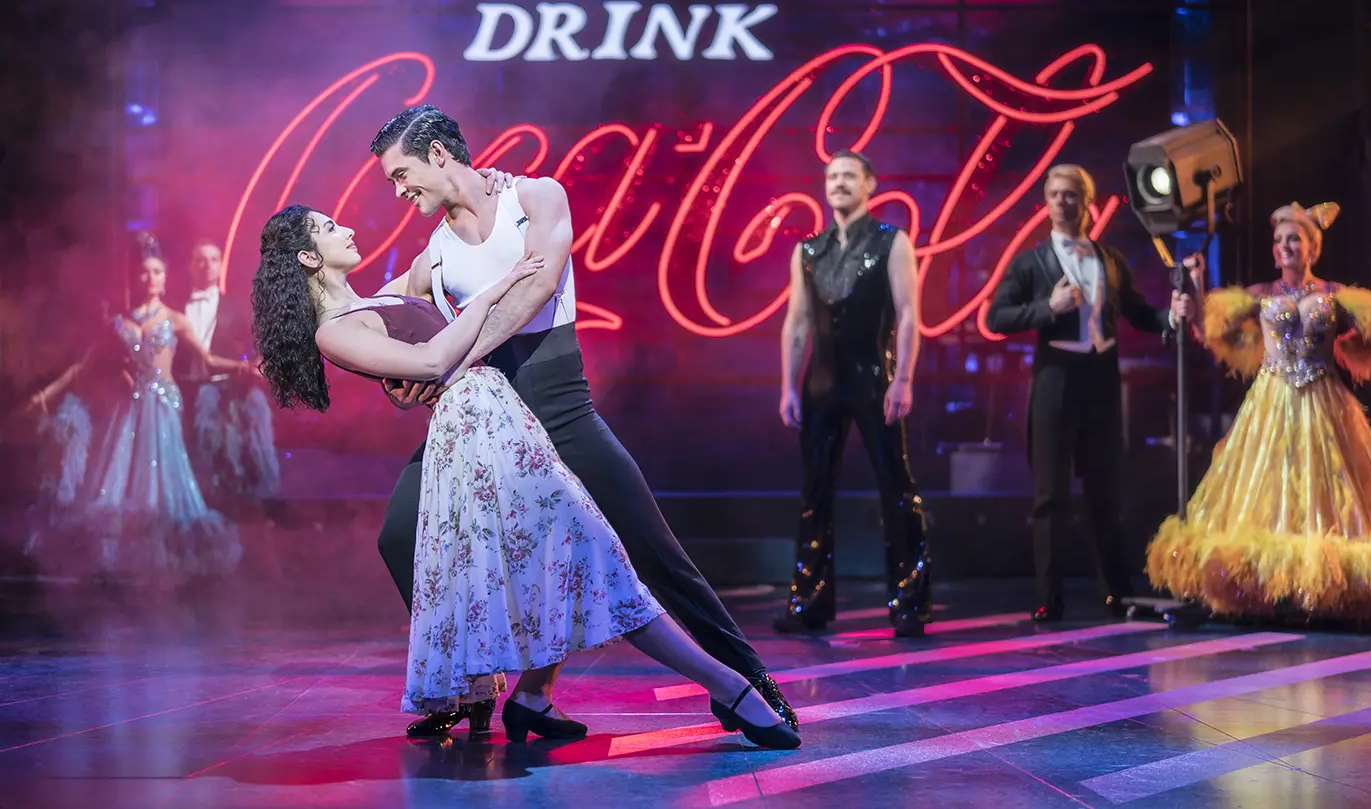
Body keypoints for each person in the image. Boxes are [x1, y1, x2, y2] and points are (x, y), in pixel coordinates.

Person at [250, 205, 800, 749]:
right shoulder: (333, 331)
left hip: (500, 418)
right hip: (474, 431)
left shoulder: (381, 295)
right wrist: (494, 292)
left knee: (567, 553)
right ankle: (727, 686)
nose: (346, 227)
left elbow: (424, 334)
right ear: (308, 257)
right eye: (328, 228)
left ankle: (534, 696)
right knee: (586, 552)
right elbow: (430, 363)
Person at [370, 105, 796, 738]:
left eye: (402, 174)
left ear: (437, 154)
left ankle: (748, 680)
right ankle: (476, 687)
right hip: (485, 411)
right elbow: (386, 317)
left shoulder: (537, 196)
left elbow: (535, 289)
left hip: (557, 401)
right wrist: (368, 355)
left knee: (652, 550)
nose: (400, 192)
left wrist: (450, 351)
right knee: (400, 531)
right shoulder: (433, 250)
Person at [1147, 201, 1371, 622]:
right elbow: (1211, 331)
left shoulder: (1334, 294)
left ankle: (1322, 588)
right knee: (1269, 489)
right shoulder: (1261, 294)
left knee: (1328, 492)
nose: (1286, 247)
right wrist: (1196, 286)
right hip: (1270, 403)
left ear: (1311, 248)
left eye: (1294, 239)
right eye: (1280, 240)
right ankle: (1271, 588)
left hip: (1324, 400)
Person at [986, 164, 1191, 621]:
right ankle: (1047, 596)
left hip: (1100, 376)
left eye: (1072, 194)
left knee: (1106, 490)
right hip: (1055, 376)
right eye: (1055, 194)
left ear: (1087, 202)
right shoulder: (1031, 261)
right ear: (1046, 201)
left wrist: (1172, 317)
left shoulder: (1109, 259)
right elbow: (996, 317)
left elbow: (1140, 314)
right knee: (1050, 494)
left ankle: (1117, 593)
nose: (1062, 201)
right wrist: (1047, 307)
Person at [774, 150, 933, 637]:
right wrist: (787, 385)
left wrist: (903, 377)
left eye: (848, 176)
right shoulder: (808, 249)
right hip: (821, 379)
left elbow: (909, 314)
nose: (838, 183)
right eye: (831, 176)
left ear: (870, 183)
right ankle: (809, 604)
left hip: (873, 377)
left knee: (896, 487)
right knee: (814, 491)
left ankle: (909, 603)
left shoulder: (892, 241)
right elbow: (796, 321)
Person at [29, 234, 245, 578]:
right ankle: (118, 560)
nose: (151, 278)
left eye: (158, 272)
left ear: (166, 277)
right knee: (119, 478)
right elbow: (83, 367)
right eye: (145, 272)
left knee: (164, 478)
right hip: (129, 408)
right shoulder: (120, 323)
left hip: (163, 406)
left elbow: (207, 359)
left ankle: (165, 558)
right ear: (136, 277)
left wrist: (243, 368)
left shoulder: (175, 319)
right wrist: (46, 395)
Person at [175, 239, 280, 509]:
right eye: (200, 259)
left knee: (237, 442)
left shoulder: (236, 307)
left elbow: (262, 342)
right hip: (185, 388)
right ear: (190, 266)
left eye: (213, 259)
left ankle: (249, 501)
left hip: (228, 387)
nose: (207, 265)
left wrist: (259, 363)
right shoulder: (176, 308)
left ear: (220, 265)